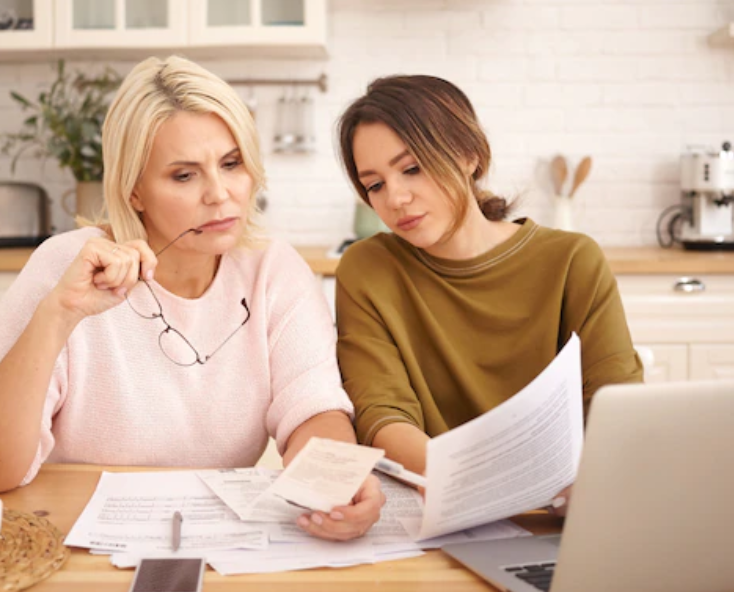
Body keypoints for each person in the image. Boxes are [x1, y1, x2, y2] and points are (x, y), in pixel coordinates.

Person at [0, 56, 384, 541]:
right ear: (134, 190)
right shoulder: (66, 267)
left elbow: (311, 407)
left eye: (231, 164)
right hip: (67, 538)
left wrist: (336, 483)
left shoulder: (274, 269)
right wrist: (58, 315)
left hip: (219, 540)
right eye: (184, 175)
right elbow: (3, 471)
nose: (220, 194)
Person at [334, 75, 643, 515]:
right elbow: (382, 413)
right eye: (375, 185)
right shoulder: (368, 268)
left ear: (468, 155)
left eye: (412, 168)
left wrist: (583, 488)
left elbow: (617, 406)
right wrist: (475, 488)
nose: (396, 199)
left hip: (559, 515)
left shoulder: (572, 261)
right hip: (434, 506)